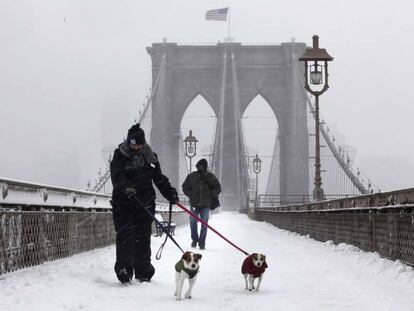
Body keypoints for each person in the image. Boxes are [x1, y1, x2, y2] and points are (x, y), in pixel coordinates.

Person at [110, 123, 178, 283]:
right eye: (133, 144)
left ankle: (143, 271)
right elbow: (117, 176)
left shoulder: (150, 157)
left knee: (143, 238)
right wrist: (127, 188)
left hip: (145, 203)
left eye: (139, 144)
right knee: (125, 237)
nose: (136, 147)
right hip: (123, 203)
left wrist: (170, 193)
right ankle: (124, 270)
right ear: (129, 142)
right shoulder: (119, 155)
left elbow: (159, 178)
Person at [182, 158, 221, 250]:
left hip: (205, 205)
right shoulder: (192, 176)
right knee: (192, 223)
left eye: (202, 166)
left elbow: (218, 188)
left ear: (205, 167)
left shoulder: (210, 177)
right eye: (199, 166)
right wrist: (190, 195)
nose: (201, 168)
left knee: (204, 224)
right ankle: (195, 240)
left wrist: (211, 195)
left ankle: (202, 243)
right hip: (194, 204)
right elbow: (185, 187)